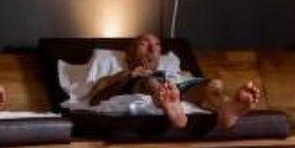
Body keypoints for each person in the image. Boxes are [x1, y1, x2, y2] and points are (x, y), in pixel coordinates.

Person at [86, 32, 264, 130]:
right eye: (144, 43)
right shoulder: (119, 76)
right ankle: (169, 103)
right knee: (152, 82)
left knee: (212, 84)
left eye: (157, 45)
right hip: (143, 82)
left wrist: (187, 78)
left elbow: (192, 82)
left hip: (173, 81)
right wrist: (128, 75)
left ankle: (228, 109)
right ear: (129, 54)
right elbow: (94, 100)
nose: (152, 48)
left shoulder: (174, 73)